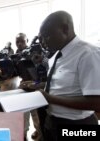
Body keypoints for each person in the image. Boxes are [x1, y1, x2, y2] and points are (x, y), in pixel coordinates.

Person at [38, 11, 100, 141]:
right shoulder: (57, 55)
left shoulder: (88, 54)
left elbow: (96, 102)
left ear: (65, 29)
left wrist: (50, 98)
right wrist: (37, 87)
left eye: (46, 36)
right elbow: (61, 84)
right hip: (52, 121)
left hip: (77, 125)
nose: (43, 42)